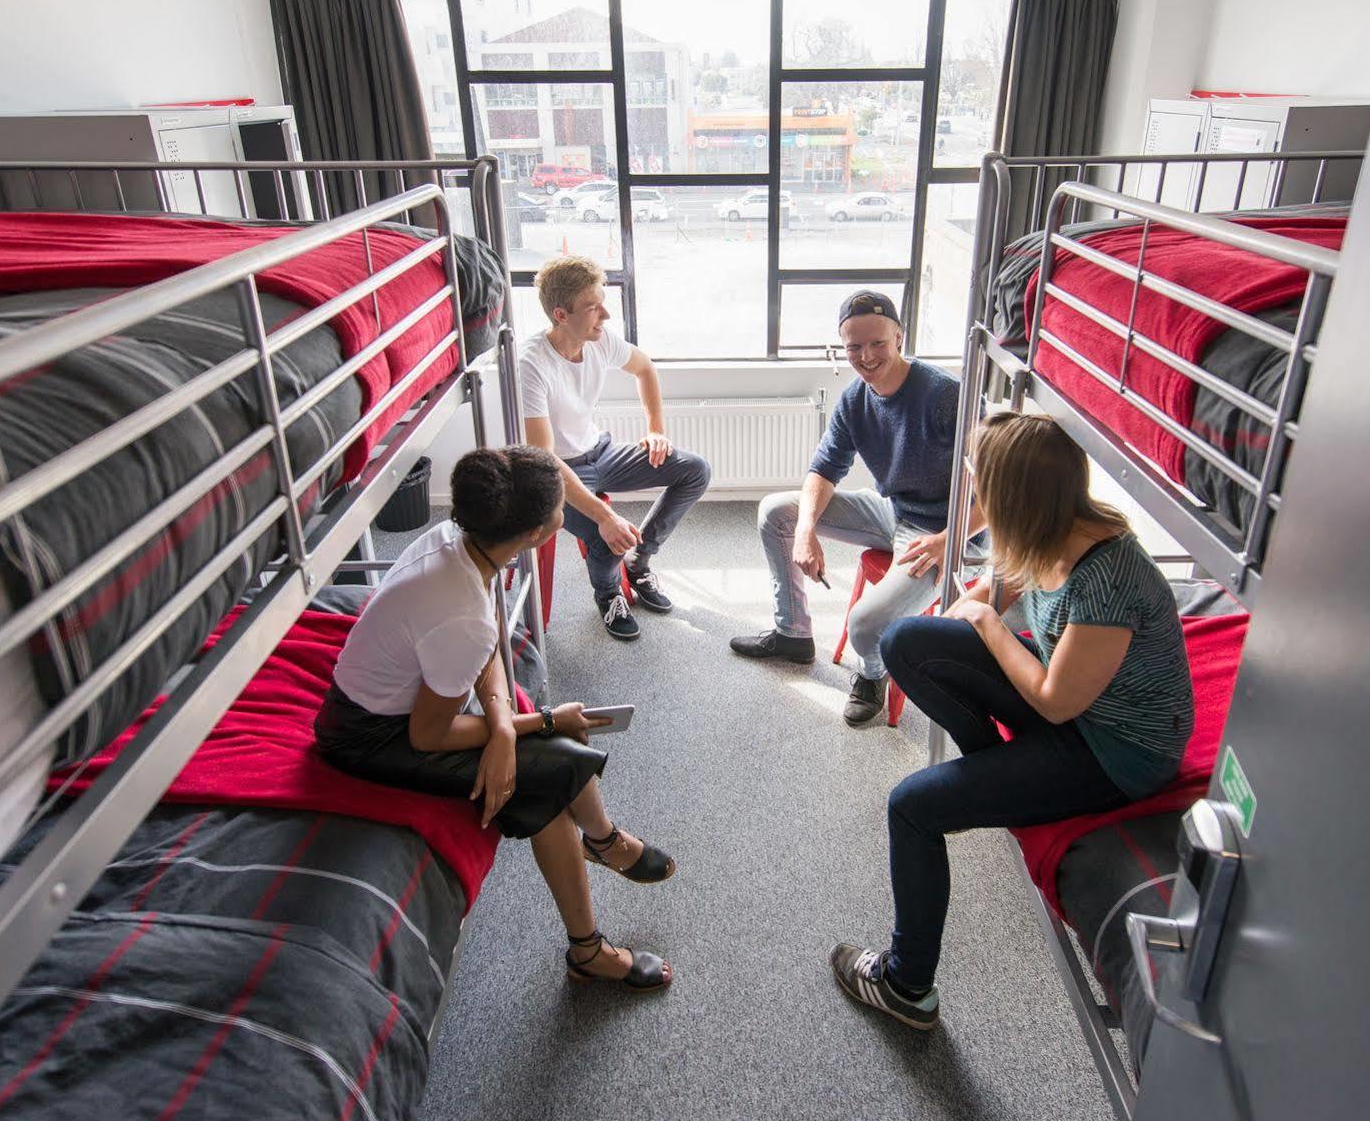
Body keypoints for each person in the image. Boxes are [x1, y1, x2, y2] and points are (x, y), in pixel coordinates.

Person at [829, 411, 1194, 1027]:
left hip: (1114, 752)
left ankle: (906, 986)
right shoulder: (1040, 530)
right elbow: (987, 597)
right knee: (904, 642)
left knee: (910, 808)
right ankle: (998, 776)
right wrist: (947, 632)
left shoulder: (1109, 576)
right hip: (1075, 707)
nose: (972, 493)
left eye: (980, 483)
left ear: (1014, 495)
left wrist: (988, 625)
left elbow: (1053, 700)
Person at [314, 445, 677, 991]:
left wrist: (506, 721)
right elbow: (427, 732)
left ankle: (600, 859)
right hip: (367, 737)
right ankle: (592, 924)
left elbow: (480, 633)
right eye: (559, 509)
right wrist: (538, 722)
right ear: (536, 534)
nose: (565, 512)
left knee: (548, 772)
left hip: (386, 702)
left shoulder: (456, 541)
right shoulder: (459, 607)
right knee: (552, 770)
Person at [729, 289, 983, 726]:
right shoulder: (854, 400)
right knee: (777, 512)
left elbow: (1002, 493)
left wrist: (948, 542)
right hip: (894, 511)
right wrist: (806, 529)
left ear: (900, 337)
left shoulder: (947, 396)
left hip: (950, 531)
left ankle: (871, 674)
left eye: (877, 343)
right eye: (854, 347)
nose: (866, 356)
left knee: (866, 625)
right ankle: (792, 634)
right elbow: (823, 470)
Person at [518, 255, 712, 642]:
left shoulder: (600, 341)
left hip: (600, 451)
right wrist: (605, 516)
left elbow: (645, 368)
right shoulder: (532, 364)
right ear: (561, 314)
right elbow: (546, 461)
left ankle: (640, 562)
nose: (605, 314)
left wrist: (656, 429)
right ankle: (608, 596)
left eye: (602, 302)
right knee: (605, 535)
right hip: (558, 471)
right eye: (592, 307)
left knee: (695, 470)